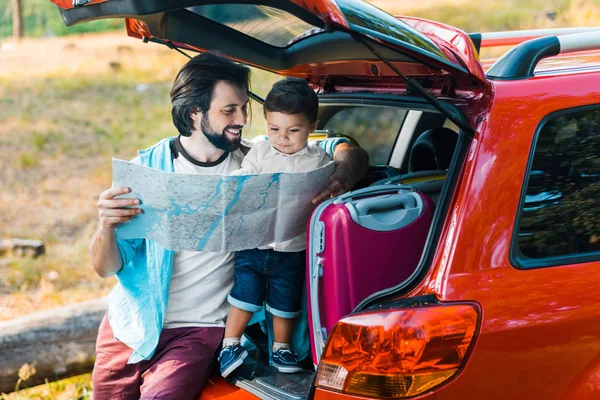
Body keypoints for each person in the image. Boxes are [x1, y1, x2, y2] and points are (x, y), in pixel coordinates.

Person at [89, 52, 368, 400]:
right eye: (229, 111)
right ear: (195, 112)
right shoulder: (149, 168)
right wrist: (106, 227)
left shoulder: (260, 159)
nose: (241, 120)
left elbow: (343, 148)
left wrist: (342, 174)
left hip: (200, 329)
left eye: (244, 108)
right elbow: (105, 268)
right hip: (131, 325)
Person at [218, 78, 330, 377]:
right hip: (254, 243)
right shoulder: (260, 153)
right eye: (274, 129)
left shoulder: (319, 160)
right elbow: (244, 177)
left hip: (292, 247)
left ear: (312, 125)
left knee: (286, 299)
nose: (282, 138)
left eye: (293, 130)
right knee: (245, 293)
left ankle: (282, 348)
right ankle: (230, 345)